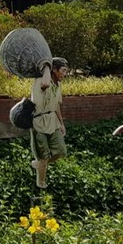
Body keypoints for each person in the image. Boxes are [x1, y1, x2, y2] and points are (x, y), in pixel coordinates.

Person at [30, 57, 69, 188]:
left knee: (61, 151)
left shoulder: (58, 85)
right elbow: (45, 84)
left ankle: (39, 164)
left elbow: (56, 105)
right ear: (54, 69)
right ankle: (41, 184)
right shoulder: (41, 80)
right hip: (39, 123)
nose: (64, 74)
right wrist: (47, 65)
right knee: (44, 157)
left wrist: (61, 124)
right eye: (63, 70)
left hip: (53, 122)